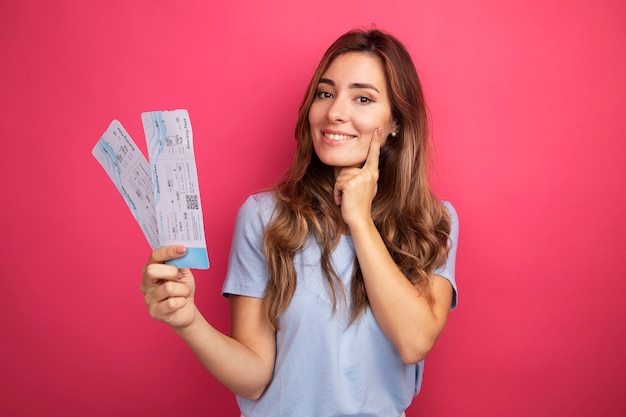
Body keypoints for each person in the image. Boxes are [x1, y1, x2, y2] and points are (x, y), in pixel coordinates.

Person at [141, 27, 459, 417]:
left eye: (362, 98)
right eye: (325, 93)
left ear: (395, 122)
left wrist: (359, 219)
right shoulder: (263, 217)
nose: (334, 112)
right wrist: (188, 320)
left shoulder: (432, 221)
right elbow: (255, 375)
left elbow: (414, 340)